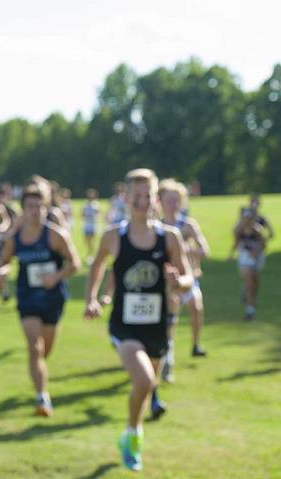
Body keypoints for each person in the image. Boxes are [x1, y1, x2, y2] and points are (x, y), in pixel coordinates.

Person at [85, 168, 193, 472]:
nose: (143, 202)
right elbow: (96, 267)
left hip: (157, 326)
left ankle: (131, 430)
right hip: (125, 326)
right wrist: (92, 299)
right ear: (126, 198)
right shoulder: (114, 236)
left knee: (147, 386)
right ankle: (135, 436)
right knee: (144, 381)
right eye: (137, 197)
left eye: (149, 196)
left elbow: (187, 277)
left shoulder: (168, 237)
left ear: (156, 198)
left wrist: (177, 282)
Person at [0, 184, 80, 416]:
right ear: (23, 209)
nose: (35, 211)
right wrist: (2, 270)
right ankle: (42, 397)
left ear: (46, 208)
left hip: (53, 298)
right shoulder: (16, 238)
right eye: (30, 206)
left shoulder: (55, 235)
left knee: (45, 350)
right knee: (35, 348)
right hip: (27, 297)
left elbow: (75, 264)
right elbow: (4, 261)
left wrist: (56, 276)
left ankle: (38, 375)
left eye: (39, 206)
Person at [158, 178, 210, 385]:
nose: (173, 204)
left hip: (189, 279)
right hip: (167, 284)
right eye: (169, 200)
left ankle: (195, 344)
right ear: (161, 202)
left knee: (196, 307)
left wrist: (184, 249)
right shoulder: (158, 227)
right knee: (171, 322)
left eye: (176, 200)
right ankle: (167, 361)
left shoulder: (187, 225)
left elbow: (205, 250)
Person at [231, 211, 266, 320]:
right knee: (250, 282)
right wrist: (231, 254)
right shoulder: (239, 230)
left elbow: (263, 244)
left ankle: (245, 291)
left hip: (256, 259)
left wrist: (256, 252)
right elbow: (236, 242)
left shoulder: (257, 230)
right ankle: (250, 310)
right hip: (244, 259)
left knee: (256, 284)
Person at [82, 188, 100, 263]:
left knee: (92, 241)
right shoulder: (85, 204)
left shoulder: (96, 204)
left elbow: (98, 214)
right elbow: (82, 214)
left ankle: (92, 255)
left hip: (93, 225)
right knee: (87, 241)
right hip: (86, 224)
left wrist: (94, 216)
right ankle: (89, 254)